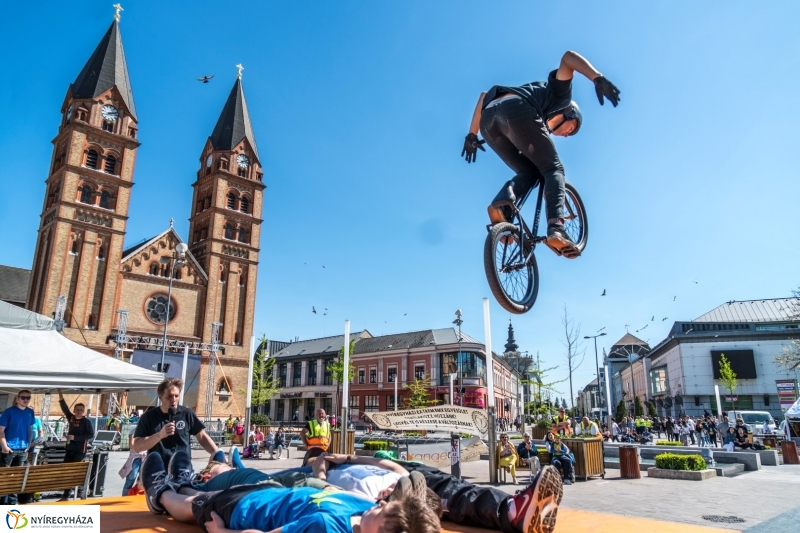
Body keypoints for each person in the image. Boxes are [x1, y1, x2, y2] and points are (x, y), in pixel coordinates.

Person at [147, 447, 565, 533]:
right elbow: (307, 480)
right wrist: (323, 463)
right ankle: (175, 483)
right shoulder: (317, 476)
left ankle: (509, 509)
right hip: (277, 487)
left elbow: (390, 466)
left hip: (401, 488)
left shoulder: (354, 496)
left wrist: (348, 459)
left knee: (434, 480)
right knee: (223, 484)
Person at [462, 50, 620, 258]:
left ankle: (502, 205)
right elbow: (568, 58)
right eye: (571, 130)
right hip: (516, 110)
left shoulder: (538, 110)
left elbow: (484, 97)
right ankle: (556, 228)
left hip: (488, 122)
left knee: (530, 171)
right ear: (569, 113)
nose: (565, 136)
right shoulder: (560, 97)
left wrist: (471, 136)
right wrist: (597, 78)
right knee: (554, 169)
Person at [132, 378, 221, 466]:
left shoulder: (187, 414)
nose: (173, 400)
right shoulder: (148, 417)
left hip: (182, 471)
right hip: (157, 472)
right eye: (169, 396)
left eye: (176, 396)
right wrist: (159, 435)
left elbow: (201, 436)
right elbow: (137, 446)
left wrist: (217, 454)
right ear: (160, 397)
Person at [56, 389, 94, 501]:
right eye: (77, 410)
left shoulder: (86, 422)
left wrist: (75, 438)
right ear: (74, 410)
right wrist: (60, 393)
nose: (79, 412)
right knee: (66, 470)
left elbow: (90, 435)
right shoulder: (71, 418)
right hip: (70, 449)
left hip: (80, 450)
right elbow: (64, 407)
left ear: (83, 412)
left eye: (81, 410)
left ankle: (80, 493)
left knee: (75, 471)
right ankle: (66, 495)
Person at [0, 391, 35, 505]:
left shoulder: (30, 412)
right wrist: (4, 446)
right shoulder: (8, 412)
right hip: (9, 449)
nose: (26, 400)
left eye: (28, 398)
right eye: (23, 397)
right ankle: (3, 502)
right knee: (5, 477)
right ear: (17, 398)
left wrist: (29, 445)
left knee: (16, 478)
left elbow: (30, 429)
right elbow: (1, 430)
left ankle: (12, 503)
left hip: (23, 449)